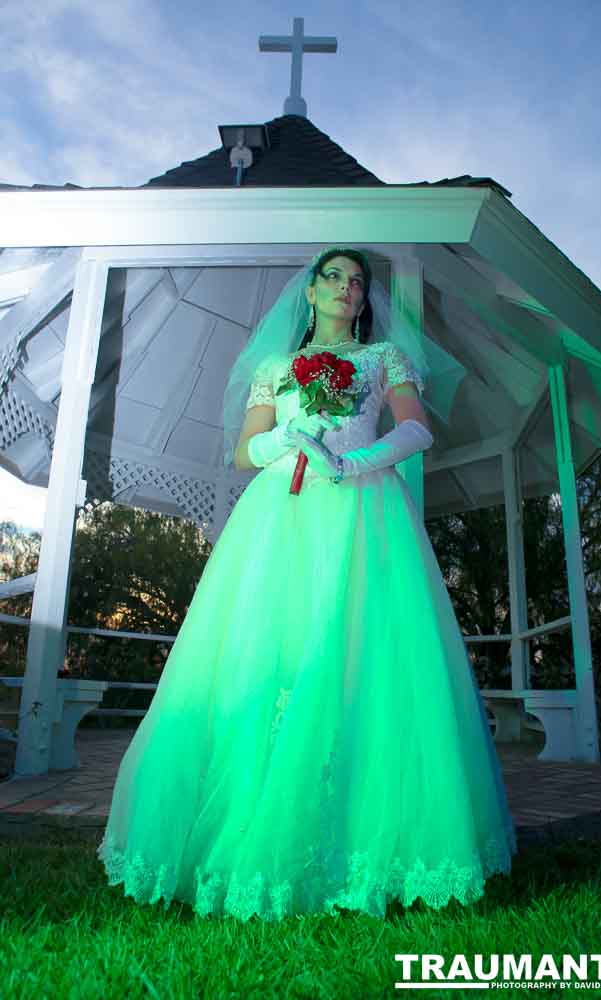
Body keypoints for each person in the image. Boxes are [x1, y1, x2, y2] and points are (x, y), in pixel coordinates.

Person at [97, 247, 518, 923]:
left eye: (357, 281)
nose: (347, 288)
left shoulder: (383, 358)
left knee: (359, 649)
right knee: (270, 645)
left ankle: (365, 836)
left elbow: (414, 428)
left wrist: (352, 463)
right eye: (334, 277)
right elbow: (243, 450)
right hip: (279, 517)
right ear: (310, 292)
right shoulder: (273, 367)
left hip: (361, 512)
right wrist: (287, 440)